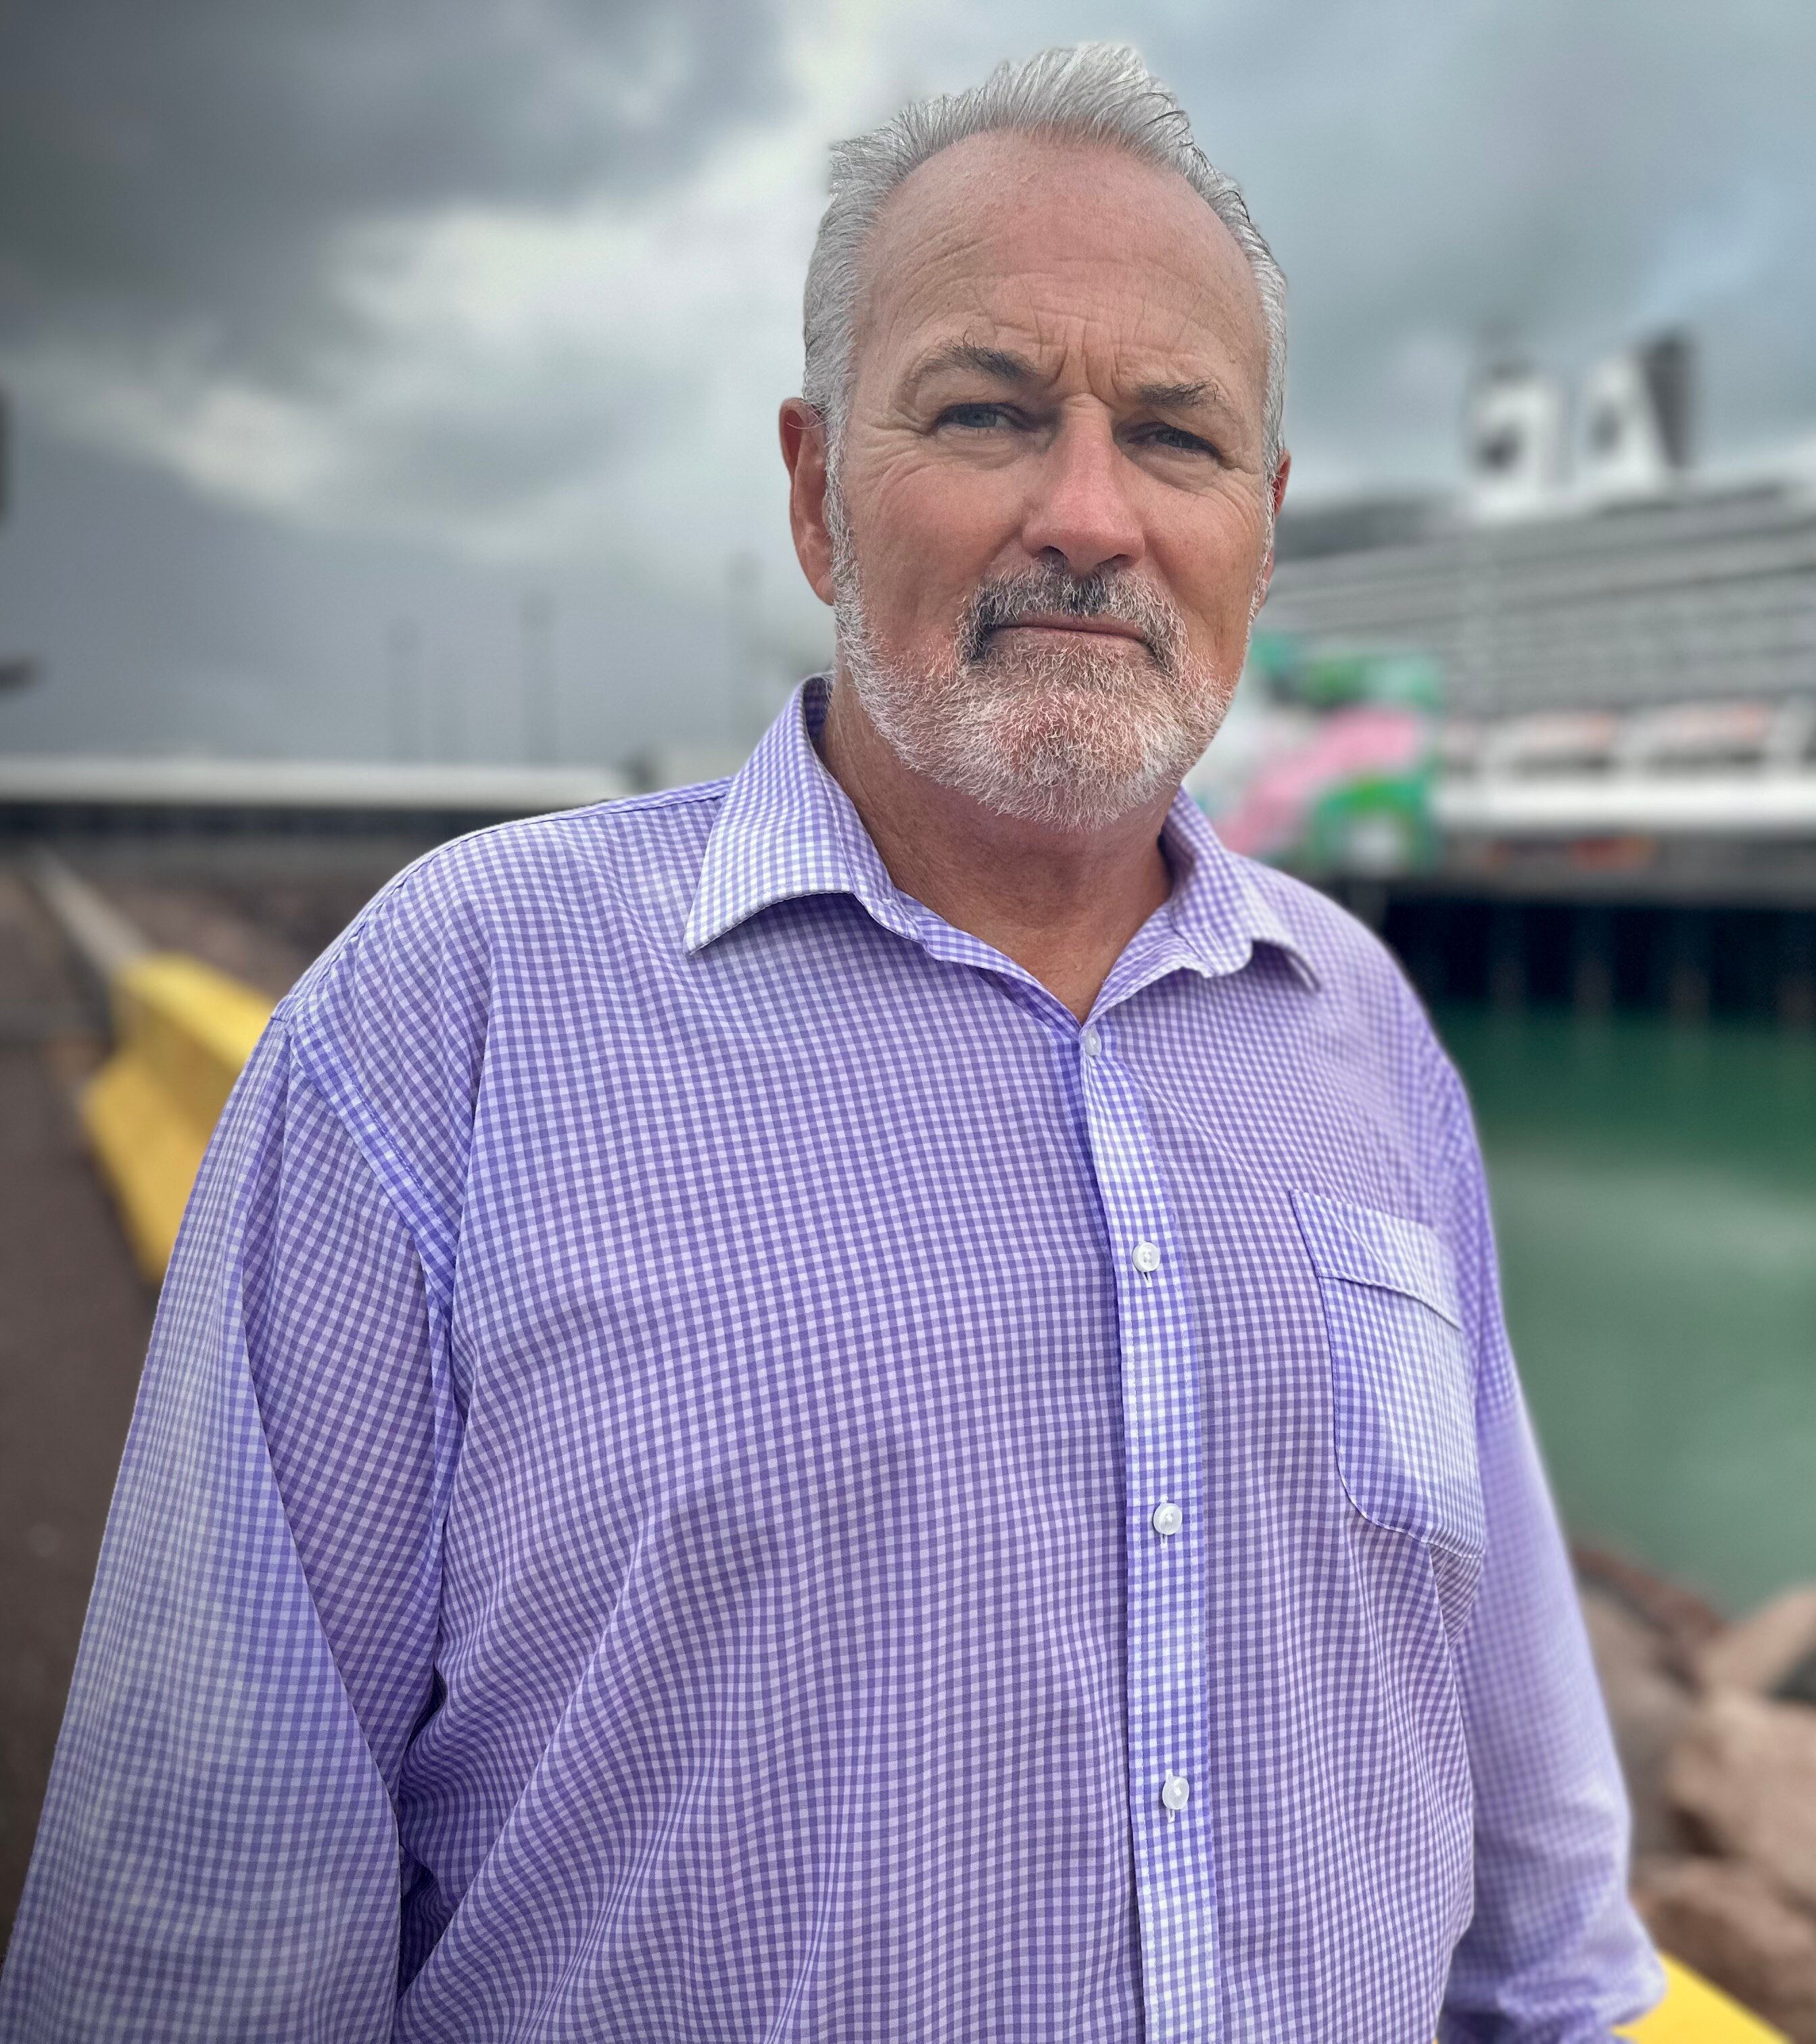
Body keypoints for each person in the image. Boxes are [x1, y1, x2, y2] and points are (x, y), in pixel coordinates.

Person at [0, 43, 1660, 2043]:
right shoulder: (455, 1011)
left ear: (1265, 527)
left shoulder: (1365, 1038)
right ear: (814, 493)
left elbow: (1538, 1906)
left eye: (1176, 437)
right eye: (987, 410)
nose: (1089, 512)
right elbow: (202, 1919)